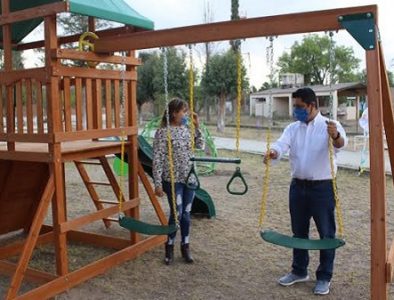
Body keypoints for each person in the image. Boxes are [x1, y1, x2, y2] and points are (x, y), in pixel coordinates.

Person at [264, 87, 347, 295]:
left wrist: (335, 135)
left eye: (300, 107)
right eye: (295, 107)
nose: (296, 111)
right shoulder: (293, 128)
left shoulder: (329, 126)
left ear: (312, 105)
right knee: (298, 232)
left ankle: (324, 276)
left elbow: (340, 143)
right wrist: (274, 152)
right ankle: (299, 270)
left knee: (326, 233)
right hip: (298, 187)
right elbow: (282, 144)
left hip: (323, 187)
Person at [153, 98, 204, 265]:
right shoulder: (162, 132)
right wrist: (158, 183)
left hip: (189, 178)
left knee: (187, 214)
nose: (186, 114)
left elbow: (201, 145)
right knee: (177, 213)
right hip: (172, 179)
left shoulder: (188, 130)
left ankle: (185, 246)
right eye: (184, 111)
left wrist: (197, 127)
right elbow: (158, 158)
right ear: (174, 113)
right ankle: (169, 246)